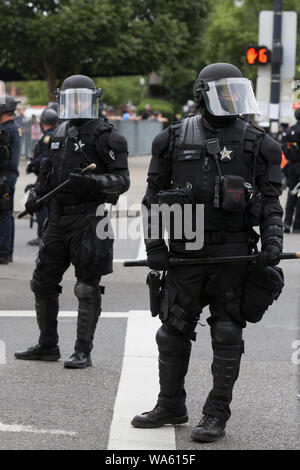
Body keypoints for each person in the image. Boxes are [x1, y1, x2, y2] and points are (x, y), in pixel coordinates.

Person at [131, 63, 284, 442]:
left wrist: (272, 243)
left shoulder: (258, 142)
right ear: (202, 93)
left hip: (233, 254)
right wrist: (154, 246)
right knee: (170, 334)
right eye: (223, 91)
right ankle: (170, 405)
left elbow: (269, 202)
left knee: (227, 332)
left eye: (236, 91)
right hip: (186, 252)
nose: (231, 100)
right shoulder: (171, 139)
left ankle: (216, 413)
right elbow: (152, 200)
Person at [15, 75, 130, 368]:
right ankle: (47, 345)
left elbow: (122, 180)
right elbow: (48, 171)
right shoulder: (59, 132)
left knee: (86, 286)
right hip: (58, 218)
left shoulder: (109, 136)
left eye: (82, 98)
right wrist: (35, 194)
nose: (77, 104)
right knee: (42, 281)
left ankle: (82, 350)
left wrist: (93, 182)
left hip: (90, 218)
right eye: (70, 98)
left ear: (94, 99)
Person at [26, 107, 59, 246]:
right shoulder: (56, 134)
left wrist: (32, 163)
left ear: (43, 122)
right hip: (52, 176)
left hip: (45, 177)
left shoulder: (47, 137)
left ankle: (42, 235)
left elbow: (45, 157)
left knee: (41, 205)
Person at [0, 94, 22, 264]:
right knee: (6, 214)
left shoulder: (6, 131)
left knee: (4, 214)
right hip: (8, 176)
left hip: (4, 177)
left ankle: (4, 253)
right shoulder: (12, 128)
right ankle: (6, 252)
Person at [282, 108, 300, 233]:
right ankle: (297, 226)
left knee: (291, 194)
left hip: (291, 167)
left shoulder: (289, 130)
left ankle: (287, 224)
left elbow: (284, 147)